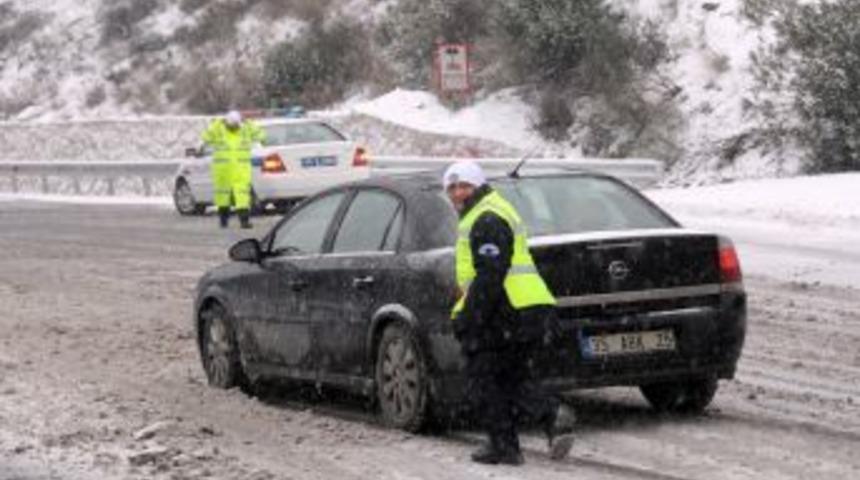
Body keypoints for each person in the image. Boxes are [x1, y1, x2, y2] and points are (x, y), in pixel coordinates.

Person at [444, 161, 575, 466]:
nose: (458, 193)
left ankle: (539, 420)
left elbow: (491, 274)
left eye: (464, 186)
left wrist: (470, 317)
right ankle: (515, 439)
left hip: (509, 309)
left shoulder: (487, 218)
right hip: (521, 307)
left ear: (478, 186)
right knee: (506, 377)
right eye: (452, 188)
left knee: (485, 378)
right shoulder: (485, 212)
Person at [201, 110, 266, 229]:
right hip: (223, 171)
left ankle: (244, 221)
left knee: (242, 196)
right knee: (222, 196)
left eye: (236, 125)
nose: (234, 127)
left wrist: (249, 123)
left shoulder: (245, 130)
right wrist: (216, 124)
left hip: (240, 170)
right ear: (226, 123)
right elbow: (205, 137)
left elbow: (261, 136)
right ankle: (223, 220)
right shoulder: (218, 130)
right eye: (231, 125)